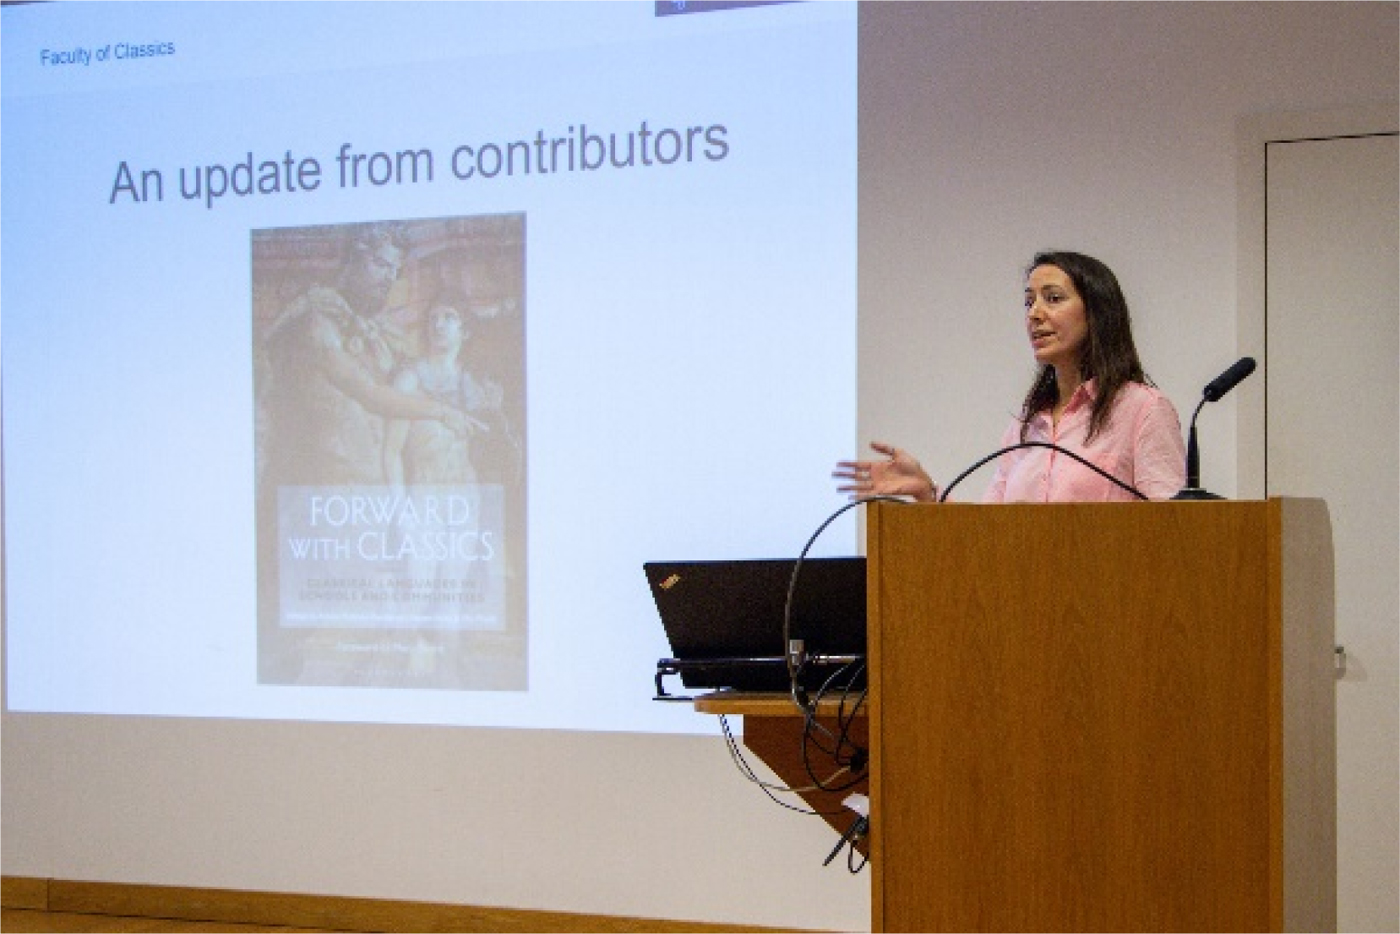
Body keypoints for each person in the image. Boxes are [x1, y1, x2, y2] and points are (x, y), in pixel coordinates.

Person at [834, 251, 1186, 503]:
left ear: (1097, 313)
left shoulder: (1143, 410)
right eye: (1029, 302)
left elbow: (1171, 532)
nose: (1035, 314)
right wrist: (927, 492)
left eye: (1053, 299)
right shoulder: (1026, 425)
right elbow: (990, 532)